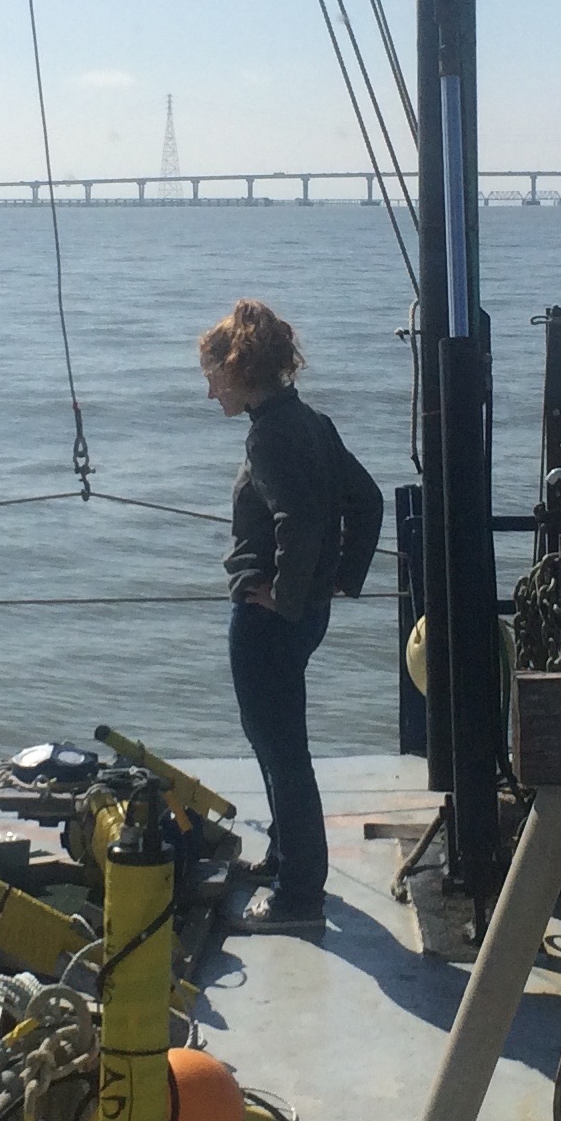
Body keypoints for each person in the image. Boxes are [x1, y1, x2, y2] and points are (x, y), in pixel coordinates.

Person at [202, 299, 383, 934]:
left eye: (211, 376)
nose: (208, 391)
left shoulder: (268, 433)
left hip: (269, 621)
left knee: (282, 749)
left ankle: (299, 896)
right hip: (302, 616)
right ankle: (285, 857)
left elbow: (299, 521)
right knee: (275, 742)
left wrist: (285, 593)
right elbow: (367, 500)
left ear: (238, 368)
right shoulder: (310, 420)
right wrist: (337, 581)